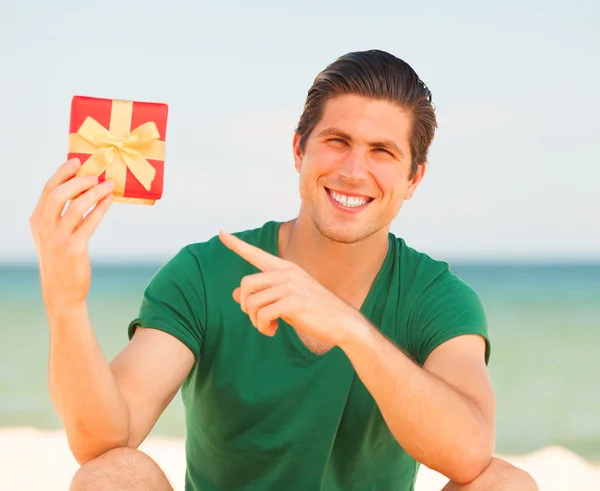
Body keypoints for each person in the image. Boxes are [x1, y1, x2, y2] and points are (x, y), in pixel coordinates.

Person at [30, 50, 537, 491]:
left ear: (413, 178)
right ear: (300, 150)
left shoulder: (436, 296)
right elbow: (103, 441)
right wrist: (64, 298)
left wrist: (350, 330)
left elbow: (469, 452)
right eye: (337, 141)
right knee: (111, 474)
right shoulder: (206, 271)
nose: (353, 170)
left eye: (382, 152)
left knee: (508, 483)